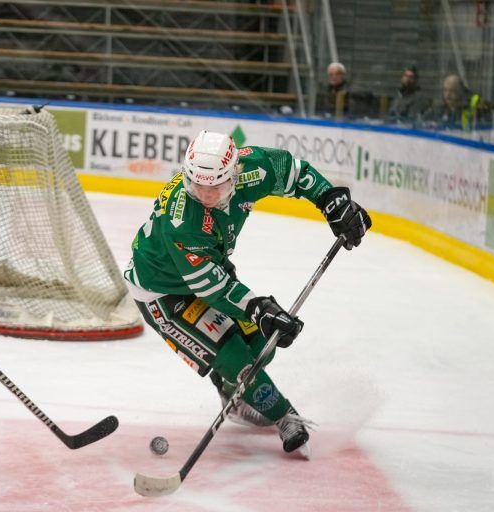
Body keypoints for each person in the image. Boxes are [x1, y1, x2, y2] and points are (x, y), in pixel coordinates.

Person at [124, 131, 371, 457]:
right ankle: (284, 416)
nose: (204, 195)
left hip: (212, 269)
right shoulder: (181, 220)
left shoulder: (252, 168)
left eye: (214, 187)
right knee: (236, 358)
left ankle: (233, 393)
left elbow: (294, 172)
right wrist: (260, 308)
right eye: (196, 186)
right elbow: (210, 287)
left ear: (234, 175)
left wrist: (330, 200)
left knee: (262, 348)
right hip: (163, 293)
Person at [425, 74, 490, 131]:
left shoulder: (471, 111)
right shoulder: (438, 109)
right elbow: (423, 123)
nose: (447, 94)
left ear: (460, 91)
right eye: (445, 90)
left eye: (452, 90)